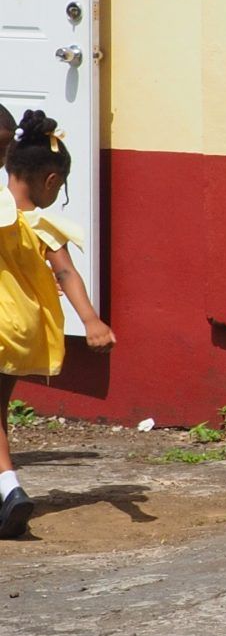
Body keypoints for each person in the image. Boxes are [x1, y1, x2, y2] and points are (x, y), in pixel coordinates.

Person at [0, 110, 115, 541]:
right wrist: (92, 321)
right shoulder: (45, 224)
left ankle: (10, 487)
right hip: (24, 329)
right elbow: (67, 274)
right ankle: (6, 488)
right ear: (50, 181)